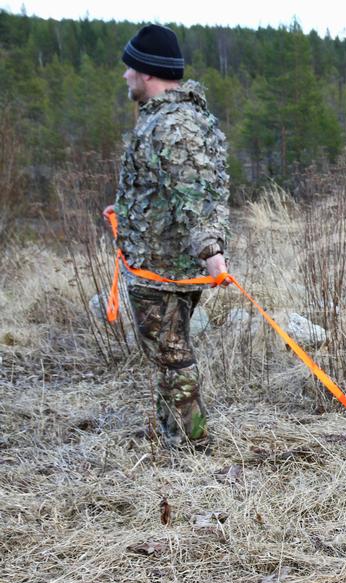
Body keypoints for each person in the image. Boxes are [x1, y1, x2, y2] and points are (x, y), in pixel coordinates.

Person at [106, 24, 229, 450]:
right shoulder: (178, 118)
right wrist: (125, 210)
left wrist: (210, 249)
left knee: (172, 356)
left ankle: (192, 448)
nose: (125, 76)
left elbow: (194, 190)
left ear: (147, 73)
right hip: (164, 262)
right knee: (169, 354)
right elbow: (170, 188)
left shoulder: (172, 124)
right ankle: (175, 436)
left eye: (130, 69)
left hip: (163, 268)